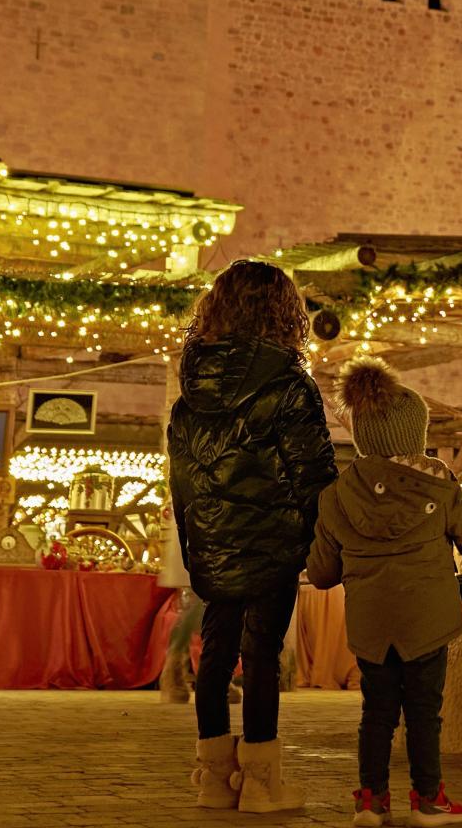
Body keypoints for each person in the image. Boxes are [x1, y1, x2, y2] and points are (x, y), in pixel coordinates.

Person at [306, 356, 462, 827]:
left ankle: (370, 800)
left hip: (371, 624)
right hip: (427, 621)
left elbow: (323, 571)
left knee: (377, 713)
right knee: (424, 713)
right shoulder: (440, 485)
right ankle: (428, 800)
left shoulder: (336, 495)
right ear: (414, 434)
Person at [168, 260, 337, 813]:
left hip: (211, 539)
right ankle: (262, 781)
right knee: (262, 654)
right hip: (272, 541)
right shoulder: (289, 386)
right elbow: (313, 473)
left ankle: (214, 777)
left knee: (216, 653)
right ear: (284, 314)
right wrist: (323, 540)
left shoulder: (190, 389)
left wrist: (197, 537)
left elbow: (182, 477)